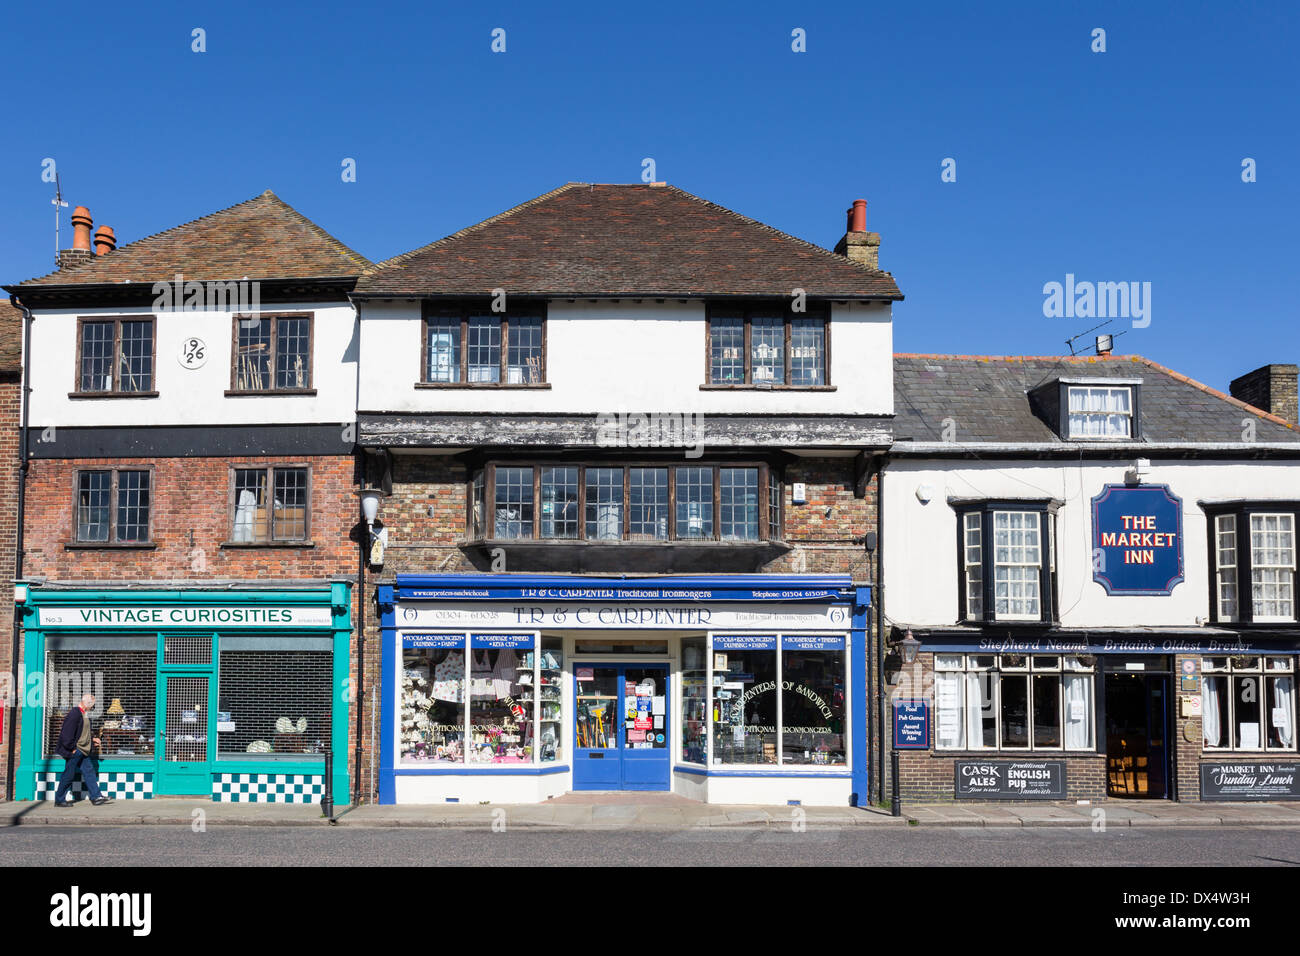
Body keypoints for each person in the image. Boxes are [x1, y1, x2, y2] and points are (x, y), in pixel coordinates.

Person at [53, 692, 112, 807]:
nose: (92, 708)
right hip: (75, 751)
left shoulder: (84, 714)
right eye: (92, 706)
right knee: (68, 775)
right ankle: (59, 800)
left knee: (89, 772)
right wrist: (72, 749)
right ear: (87, 704)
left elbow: (83, 732)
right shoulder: (75, 714)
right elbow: (66, 734)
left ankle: (96, 797)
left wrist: (93, 739)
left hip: (83, 750)